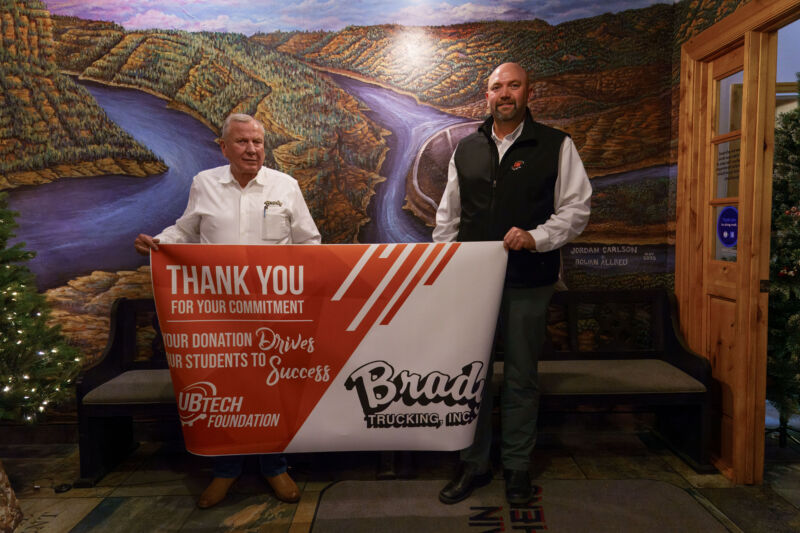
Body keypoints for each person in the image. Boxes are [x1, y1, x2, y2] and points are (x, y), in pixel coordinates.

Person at [135, 113, 321, 509]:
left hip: (273, 312)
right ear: (223, 147)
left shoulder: (285, 186)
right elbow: (185, 231)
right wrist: (160, 243)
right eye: (241, 142)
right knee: (225, 391)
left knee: (272, 391)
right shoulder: (204, 184)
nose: (251, 149)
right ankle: (225, 471)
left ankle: (275, 467)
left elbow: (310, 243)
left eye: (257, 142)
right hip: (216, 314)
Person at [433, 62, 591, 506]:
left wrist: (536, 237)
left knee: (521, 377)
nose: (505, 93)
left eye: (513, 86)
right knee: (471, 380)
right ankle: (474, 463)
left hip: (528, 281)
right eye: (496, 87)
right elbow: (449, 216)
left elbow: (576, 210)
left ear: (528, 92)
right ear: (486, 95)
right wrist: (446, 267)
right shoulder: (466, 148)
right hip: (471, 286)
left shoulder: (556, 145)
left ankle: (518, 467)